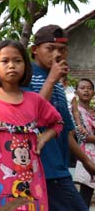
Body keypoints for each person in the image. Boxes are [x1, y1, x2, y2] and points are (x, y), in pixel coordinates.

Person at [0, 40, 63, 210]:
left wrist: (43, 138)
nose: (11, 66)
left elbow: (57, 122)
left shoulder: (35, 100)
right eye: (5, 61)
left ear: (25, 65)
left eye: (17, 60)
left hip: (32, 176)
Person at [24, 24, 95, 210]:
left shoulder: (56, 85)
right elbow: (33, 117)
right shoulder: (26, 77)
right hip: (39, 169)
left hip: (58, 168)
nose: (57, 55)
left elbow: (65, 131)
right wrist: (52, 79)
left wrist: (87, 162)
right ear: (35, 50)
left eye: (62, 50)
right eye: (50, 48)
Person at [72, 78, 95, 205]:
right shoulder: (75, 111)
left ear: (93, 93)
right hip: (86, 154)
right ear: (76, 92)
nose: (86, 90)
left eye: (89, 88)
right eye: (82, 88)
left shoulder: (93, 112)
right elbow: (83, 136)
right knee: (86, 192)